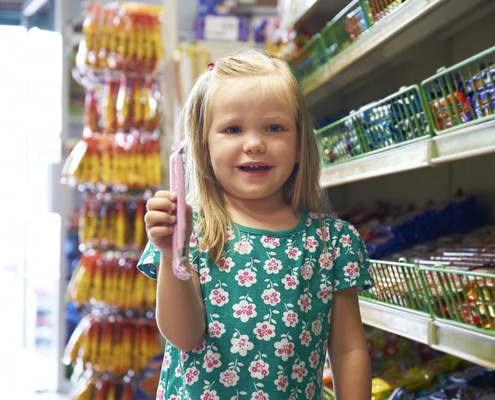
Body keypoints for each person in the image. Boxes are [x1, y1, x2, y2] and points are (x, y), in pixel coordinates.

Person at [138, 49, 373, 400]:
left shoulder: (332, 242)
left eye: (274, 128)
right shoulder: (191, 231)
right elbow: (183, 337)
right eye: (233, 129)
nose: (254, 144)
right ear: (204, 146)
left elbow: (347, 350)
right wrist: (175, 255)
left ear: (298, 145)